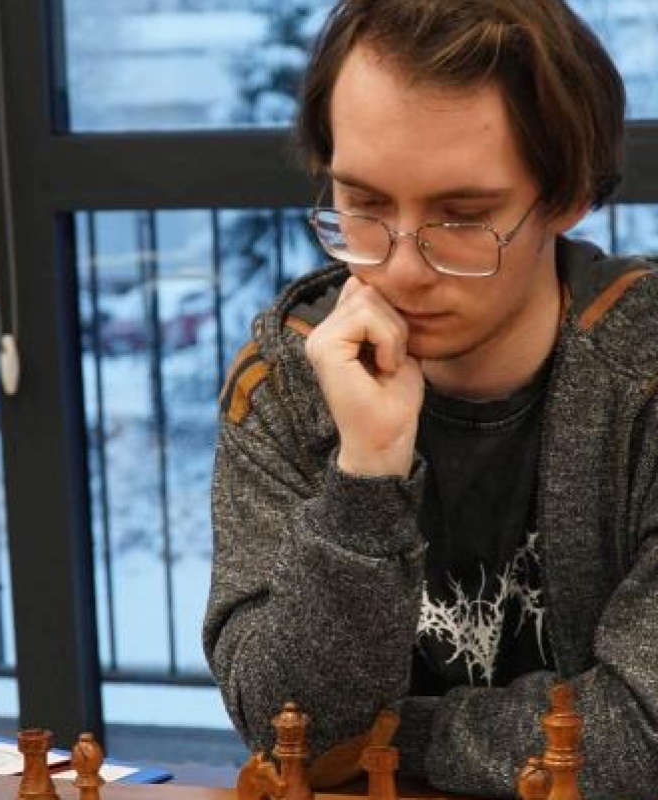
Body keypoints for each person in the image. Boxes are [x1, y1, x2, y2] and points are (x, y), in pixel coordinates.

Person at [203, 1, 658, 798]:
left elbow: (641, 737)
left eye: (462, 217)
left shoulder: (644, 379)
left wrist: (381, 738)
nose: (400, 270)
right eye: (364, 205)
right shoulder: (286, 380)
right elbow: (288, 727)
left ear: (569, 197)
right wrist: (367, 473)